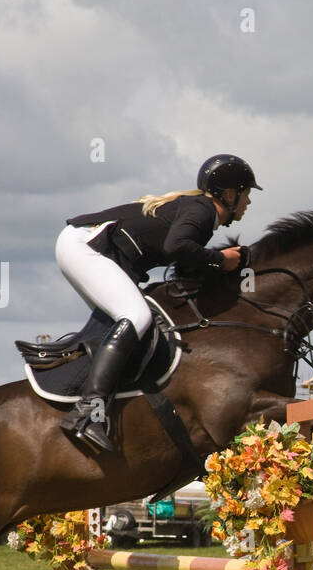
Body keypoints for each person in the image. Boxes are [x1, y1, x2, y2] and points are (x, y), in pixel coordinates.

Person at [55, 154, 261, 452]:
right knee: (137, 317)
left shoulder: (199, 211)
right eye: (247, 194)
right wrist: (221, 260)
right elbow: (176, 246)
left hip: (83, 246)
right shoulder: (202, 211)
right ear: (229, 195)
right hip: (85, 246)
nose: (249, 202)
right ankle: (88, 413)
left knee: (124, 325)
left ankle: (93, 399)